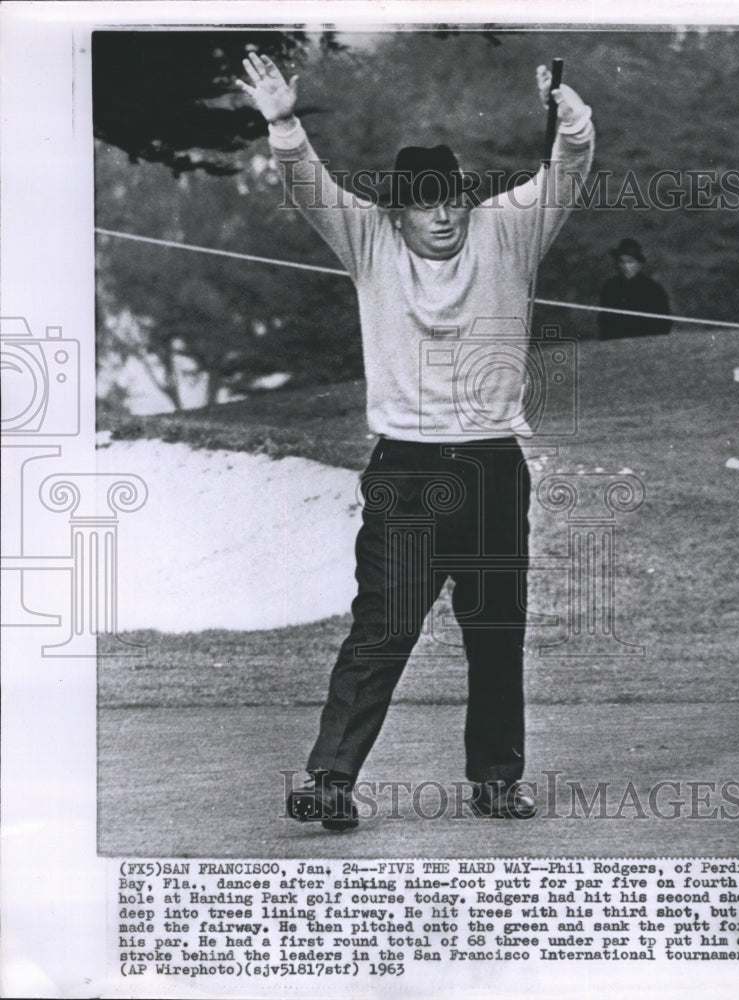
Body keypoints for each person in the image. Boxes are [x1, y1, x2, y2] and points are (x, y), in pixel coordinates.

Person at [237, 52, 595, 828]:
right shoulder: (368, 244)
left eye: (451, 202)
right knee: (382, 630)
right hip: (404, 472)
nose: (441, 217)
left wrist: (567, 112)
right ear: (395, 211)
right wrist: (282, 122)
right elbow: (311, 189)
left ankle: (496, 781)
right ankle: (330, 779)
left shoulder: (509, 233)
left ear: (468, 201)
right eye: (423, 206)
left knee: (495, 635)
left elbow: (568, 168)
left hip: (494, 464)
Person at [598, 237, 672, 339]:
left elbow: (663, 322)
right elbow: (604, 320)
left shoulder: (652, 288)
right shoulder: (610, 287)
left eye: (630, 262)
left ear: (639, 264)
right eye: (621, 262)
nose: (625, 266)